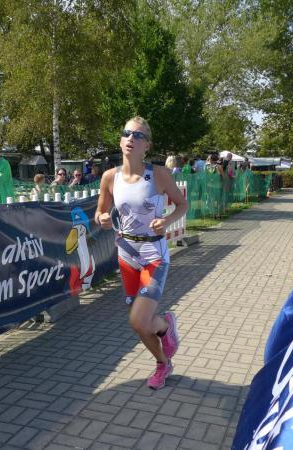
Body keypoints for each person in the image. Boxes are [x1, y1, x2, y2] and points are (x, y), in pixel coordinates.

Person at [95, 116, 188, 390]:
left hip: (153, 254)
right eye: (127, 133)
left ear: (147, 145)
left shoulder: (159, 174)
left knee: (138, 318)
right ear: (120, 140)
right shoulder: (109, 177)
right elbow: (100, 212)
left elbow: (182, 205)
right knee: (139, 324)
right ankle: (163, 358)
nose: (130, 139)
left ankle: (164, 330)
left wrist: (167, 221)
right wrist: (101, 218)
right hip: (126, 255)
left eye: (138, 136)